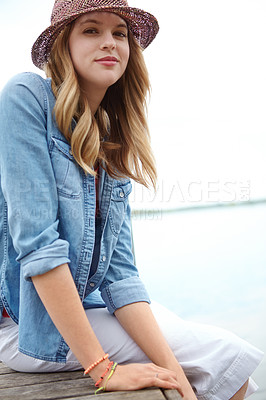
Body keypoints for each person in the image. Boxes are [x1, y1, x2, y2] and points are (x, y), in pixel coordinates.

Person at [0, 0, 263, 398]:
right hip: (23, 324)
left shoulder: (111, 135)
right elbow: (39, 247)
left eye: (119, 33)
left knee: (219, 372)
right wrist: (102, 370)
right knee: (225, 361)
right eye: (91, 30)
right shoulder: (27, 97)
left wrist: (177, 378)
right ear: (62, 45)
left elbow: (120, 276)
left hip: (87, 305)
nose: (110, 43)